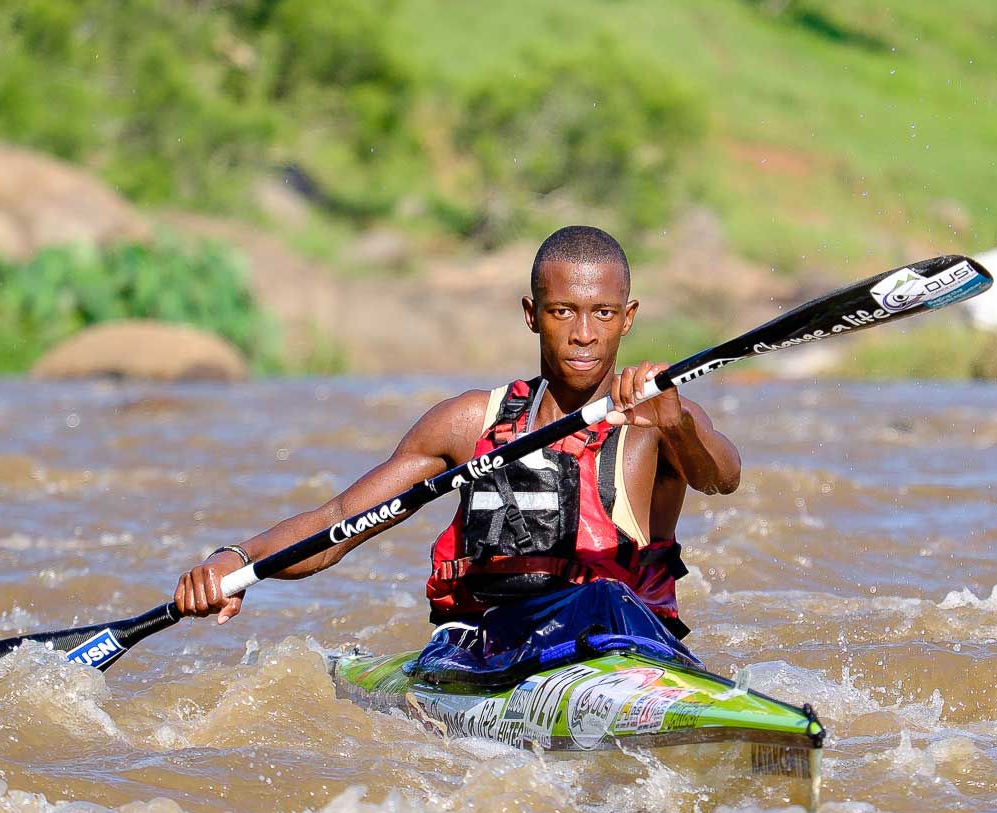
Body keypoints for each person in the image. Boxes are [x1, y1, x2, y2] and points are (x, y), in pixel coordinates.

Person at [171, 226, 739, 685]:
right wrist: (236, 562)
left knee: (606, 598)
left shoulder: (658, 420)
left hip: (629, 647)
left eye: (603, 313)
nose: (584, 334)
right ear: (530, 313)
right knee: (584, 604)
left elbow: (721, 478)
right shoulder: (469, 424)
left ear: (629, 316)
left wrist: (680, 423)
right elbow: (333, 527)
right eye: (562, 311)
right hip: (488, 651)